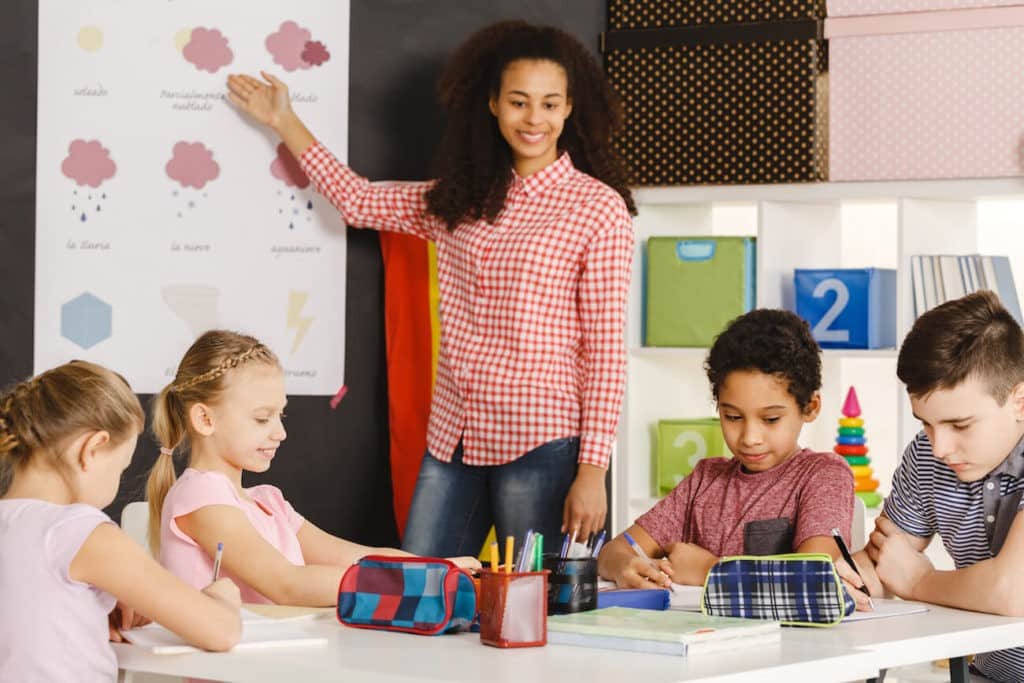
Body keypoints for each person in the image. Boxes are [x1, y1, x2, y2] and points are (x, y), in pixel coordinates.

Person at [225, 20, 636, 560]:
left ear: (569, 108)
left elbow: (605, 350)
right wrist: (284, 120)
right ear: (492, 104)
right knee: (421, 589)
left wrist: (592, 470)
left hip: (543, 440)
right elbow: (357, 200)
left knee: (539, 610)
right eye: (518, 102)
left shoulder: (597, 208)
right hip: (454, 435)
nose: (534, 118)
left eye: (549, 104)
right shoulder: (459, 200)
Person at [147, 330, 479, 607]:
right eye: (262, 418)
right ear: (205, 419)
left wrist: (435, 567)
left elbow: (357, 556)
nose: (280, 432)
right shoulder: (200, 497)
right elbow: (286, 584)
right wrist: (417, 580)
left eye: (281, 415)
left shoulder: (268, 502)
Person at [0, 361, 241, 682]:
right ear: (92, 448)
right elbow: (219, 631)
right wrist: (222, 599)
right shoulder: (78, 529)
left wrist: (92, 608)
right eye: (120, 468)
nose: (117, 482)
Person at [837, 291, 1024, 682]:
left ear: (1019, 400)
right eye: (925, 422)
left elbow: (1013, 592)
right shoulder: (928, 454)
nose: (939, 447)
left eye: (960, 425)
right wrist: (845, 579)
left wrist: (920, 581)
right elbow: (884, 563)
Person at [599, 309, 855, 588]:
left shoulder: (823, 475)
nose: (749, 437)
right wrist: (626, 565)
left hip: (782, 633)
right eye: (733, 416)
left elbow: (812, 577)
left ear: (810, 407)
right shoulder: (705, 479)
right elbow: (613, 552)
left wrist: (711, 570)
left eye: (770, 419)